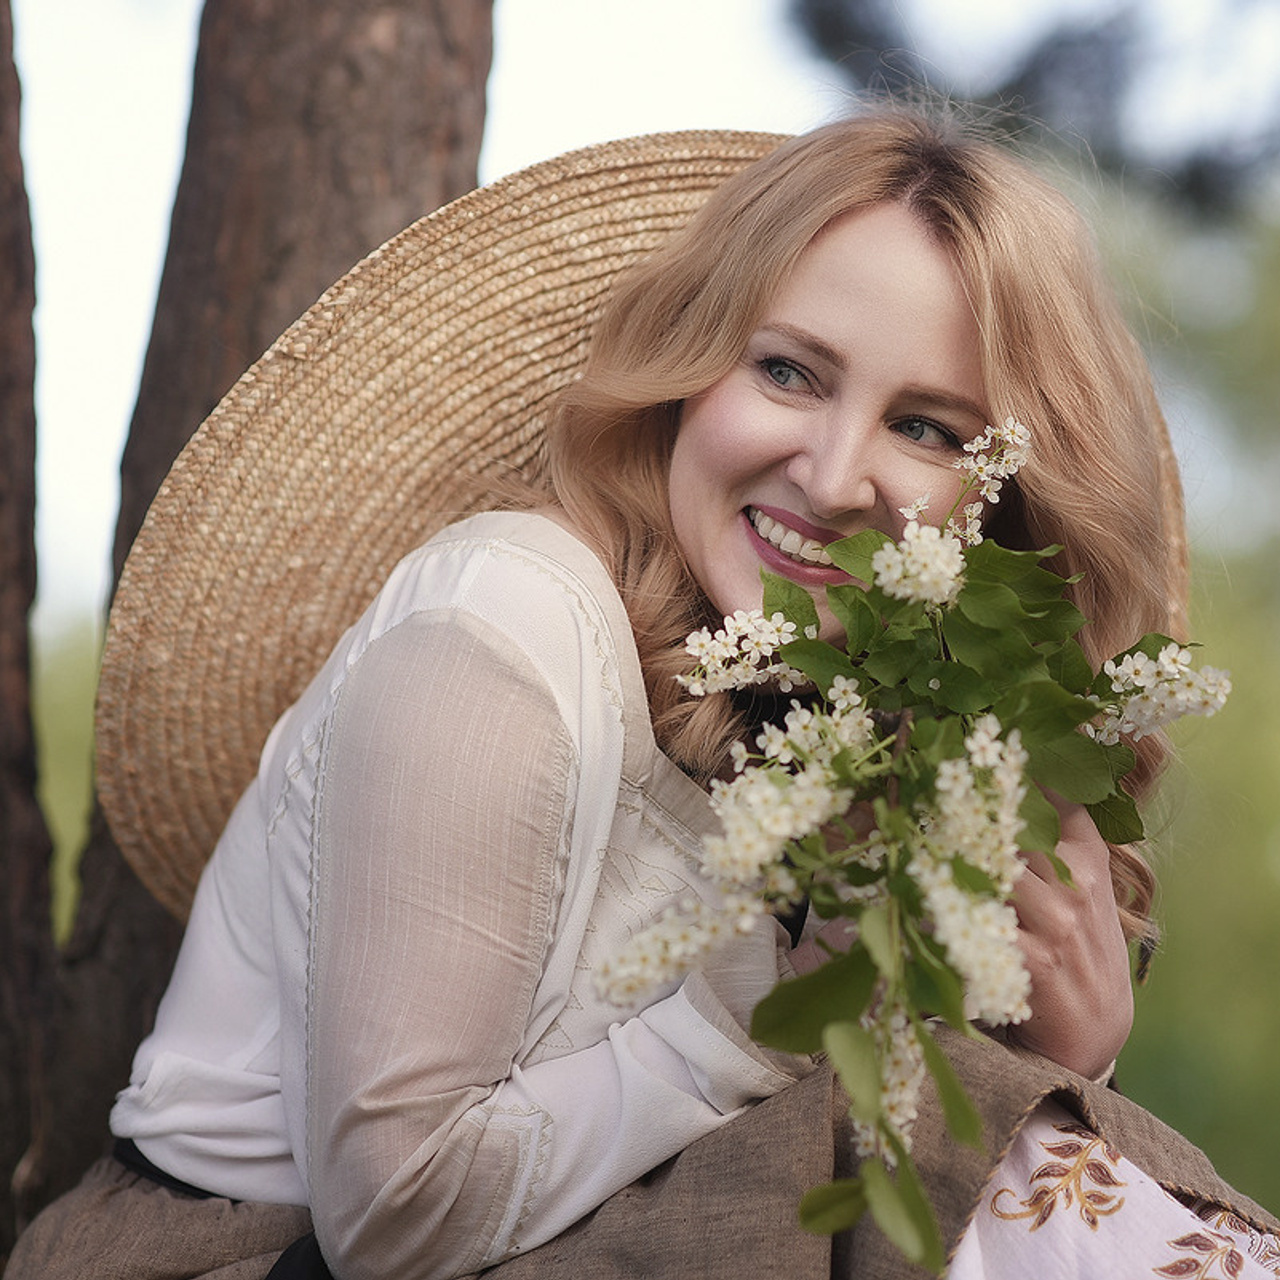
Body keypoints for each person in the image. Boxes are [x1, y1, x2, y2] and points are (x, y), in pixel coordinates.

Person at [8, 109, 1278, 1280]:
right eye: (787, 370)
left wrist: (1069, 1050)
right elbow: (388, 1216)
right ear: (687, 372)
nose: (833, 476)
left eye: (930, 430)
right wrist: (764, 1013)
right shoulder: (499, 625)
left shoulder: (893, 719)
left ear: (996, 500)